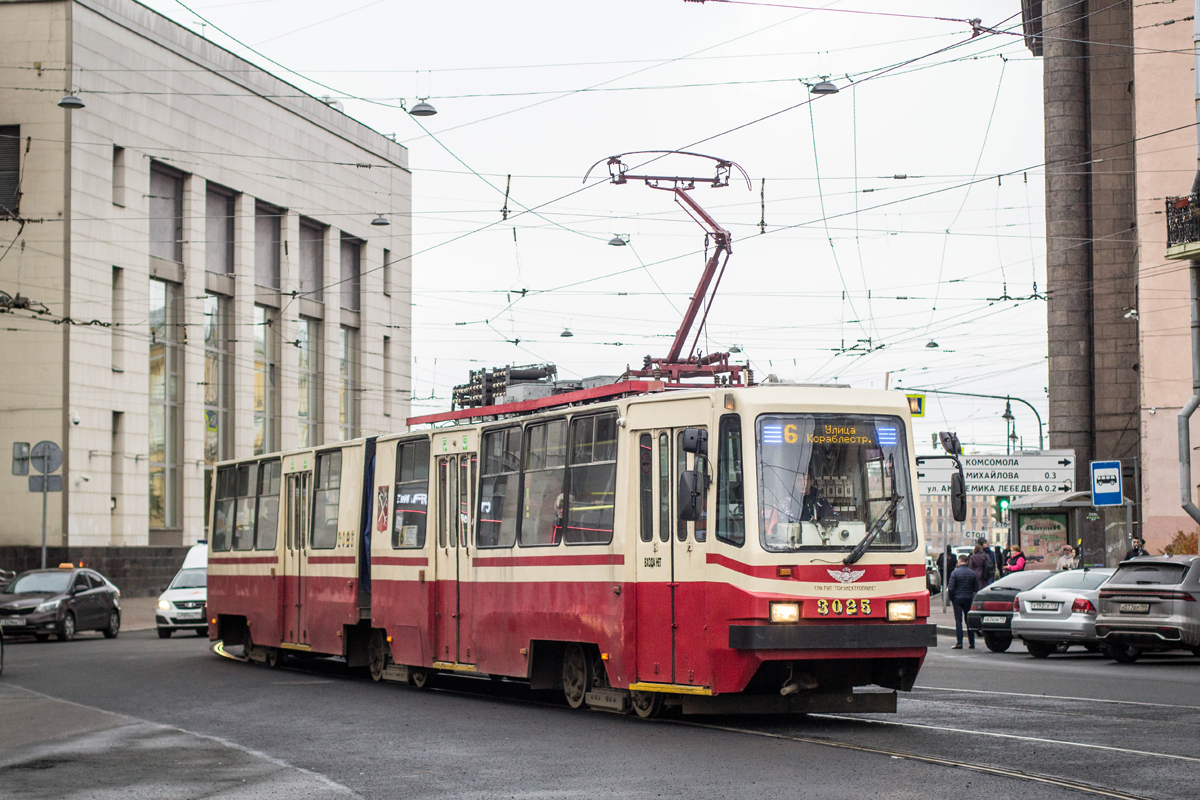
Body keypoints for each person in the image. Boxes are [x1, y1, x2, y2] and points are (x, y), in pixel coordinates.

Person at [946, 554, 979, 650]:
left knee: (958, 621)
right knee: (968, 621)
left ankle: (959, 643)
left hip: (957, 599)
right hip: (968, 599)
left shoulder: (955, 573)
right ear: (967, 562)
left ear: (959, 561)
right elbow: (975, 588)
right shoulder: (972, 573)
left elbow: (951, 588)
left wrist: (952, 598)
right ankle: (971, 643)